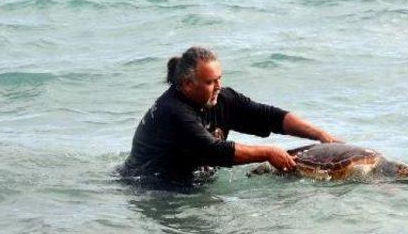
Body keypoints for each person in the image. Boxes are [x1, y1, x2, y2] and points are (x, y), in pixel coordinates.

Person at [121, 46, 340, 187]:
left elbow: (270, 116)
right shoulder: (173, 112)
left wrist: (320, 135)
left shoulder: (223, 98)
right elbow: (213, 150)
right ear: (187, 84)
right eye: (210, 82)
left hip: (192, 184)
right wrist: (268, 151)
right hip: (151, 189)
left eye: (219, 79)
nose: (219, 87)